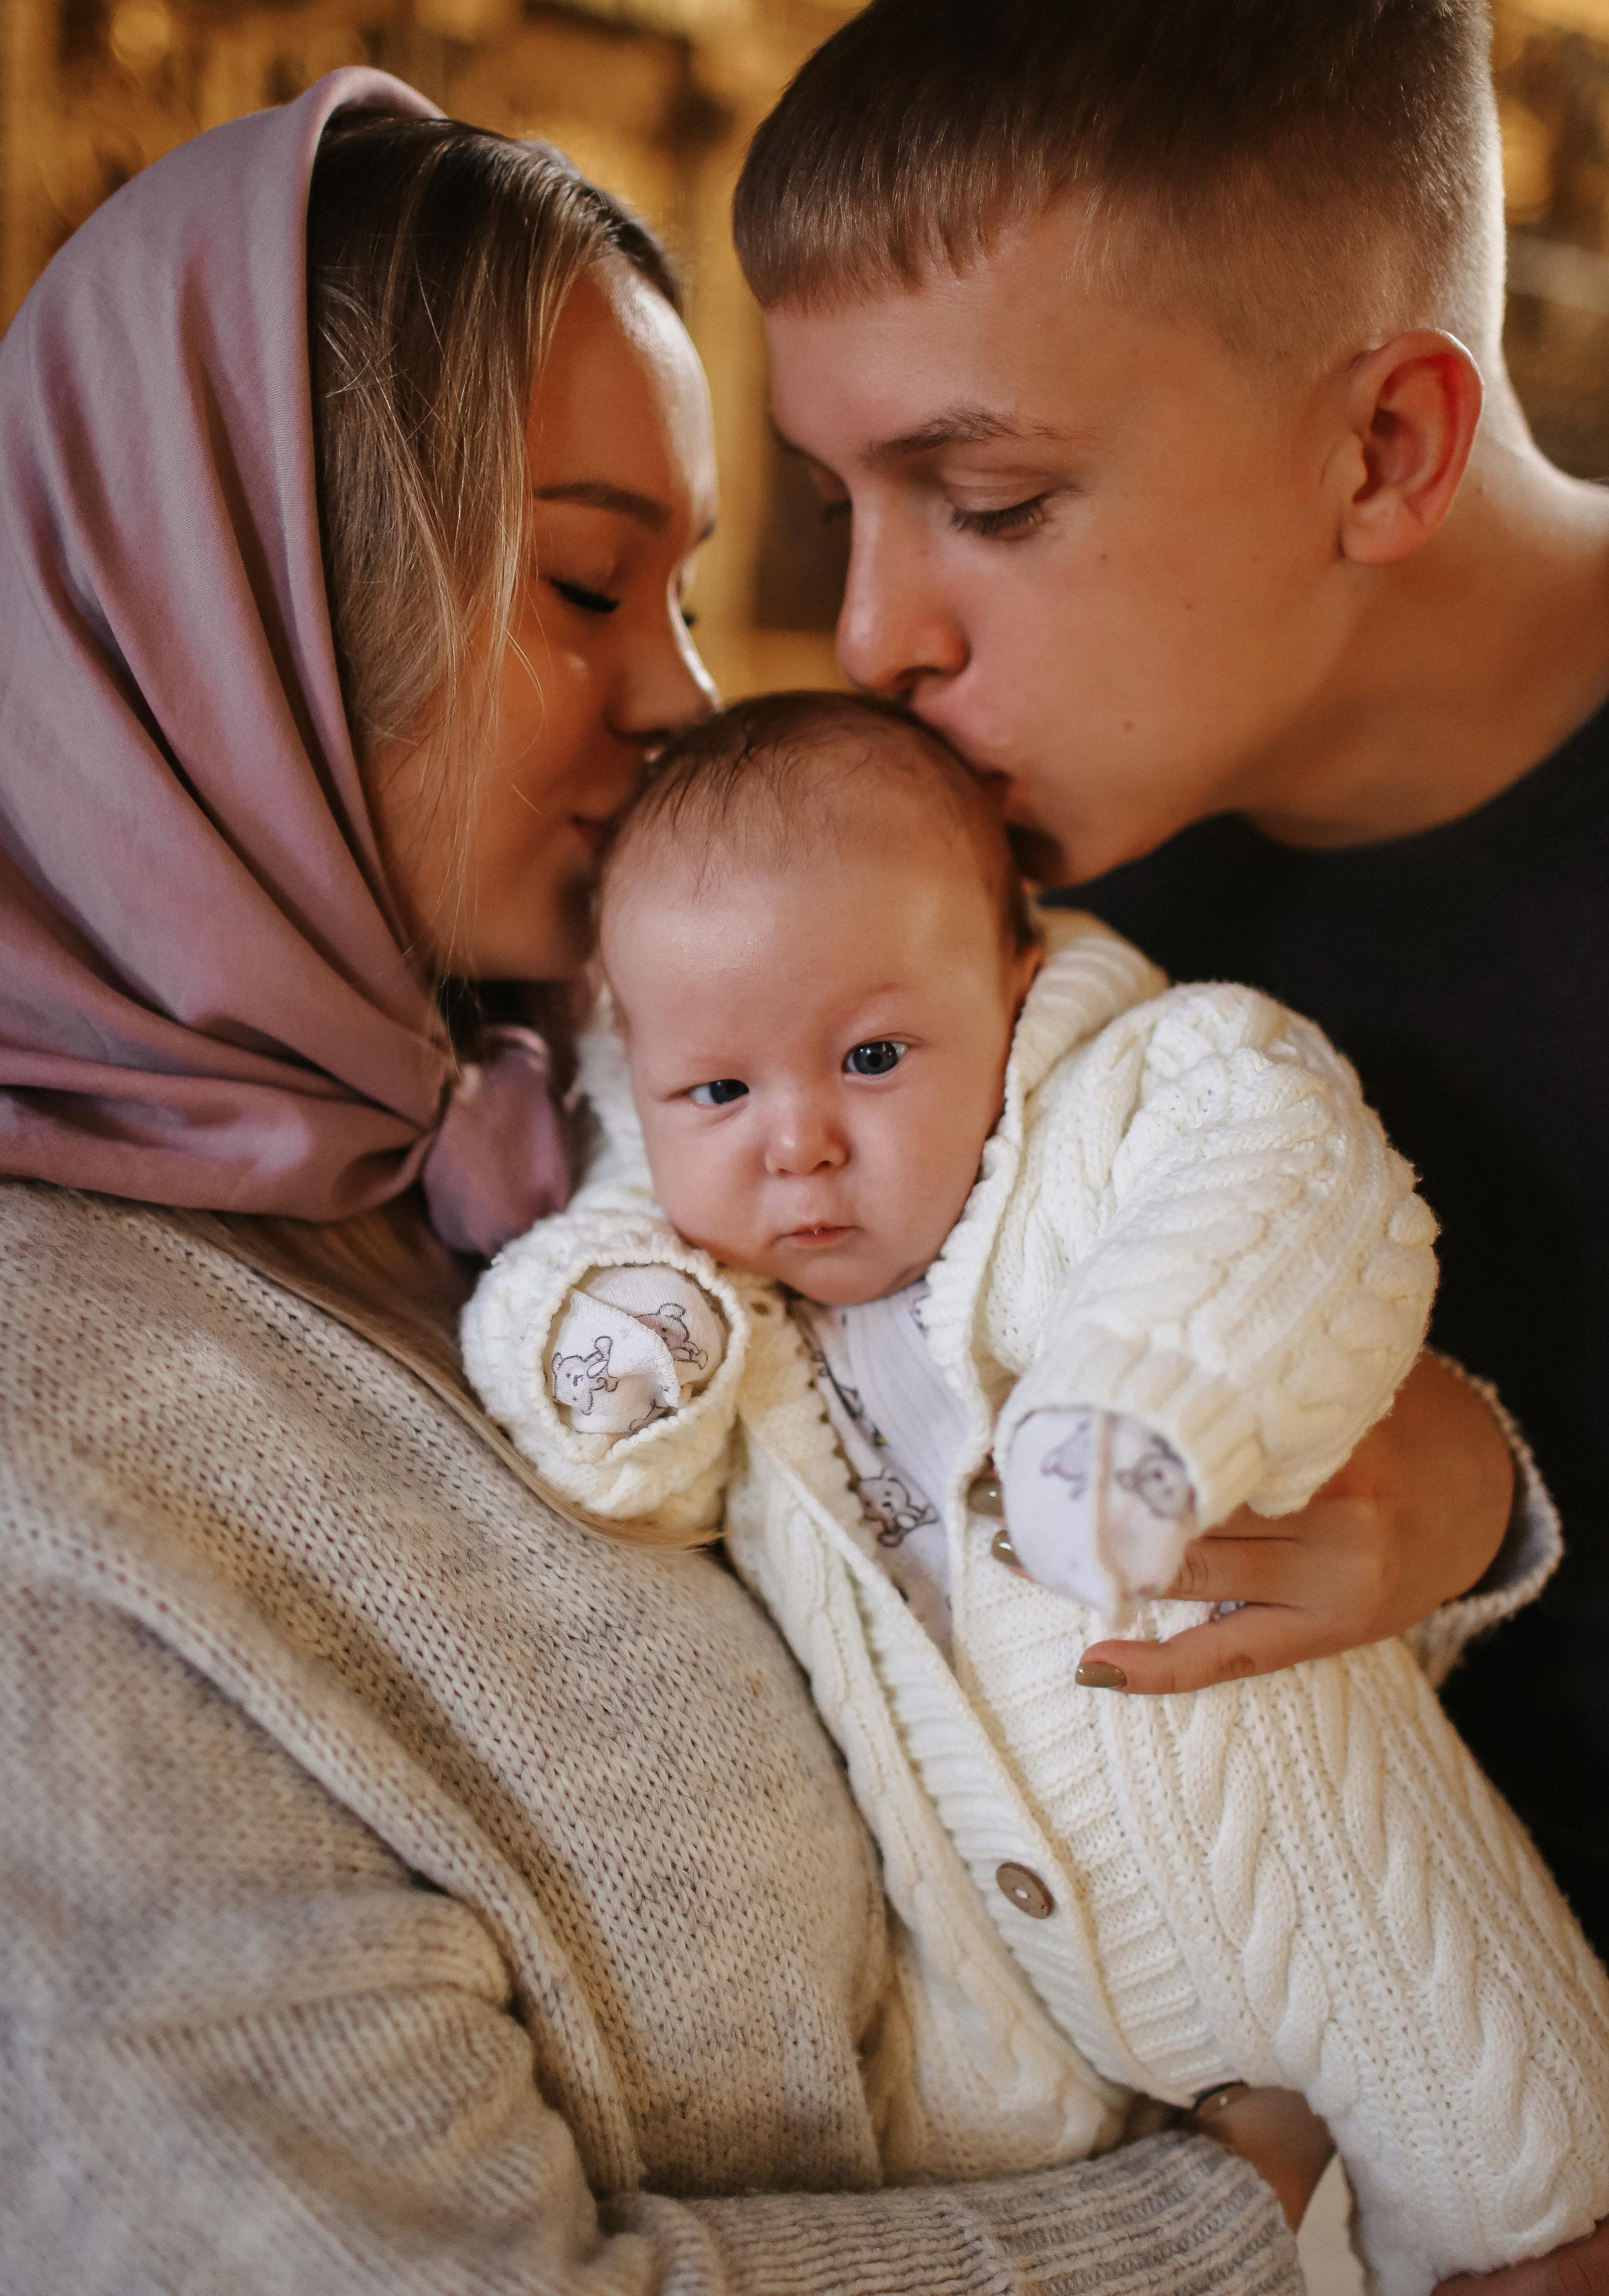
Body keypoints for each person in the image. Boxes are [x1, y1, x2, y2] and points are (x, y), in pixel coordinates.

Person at [0, 65, 1346, 2292]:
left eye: (691, 591)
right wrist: (1238, 2231)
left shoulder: (583, 1117)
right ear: (228, 611)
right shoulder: (54, 1447)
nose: (688, 698)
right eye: (587, 587)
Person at [463, 689, 1609, 2294]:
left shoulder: (1122, 1102)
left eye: (871, 1056)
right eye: (716, 1094)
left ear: (1010, 983)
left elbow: (1277, 1189)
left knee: (1533, 2213)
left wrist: (1138, 1408)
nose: (796, 1143)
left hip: (1349, 1912)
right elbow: (618, 1425)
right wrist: (603, 1344)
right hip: (1037, 2042)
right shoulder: (718, 1294)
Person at [732, 0, 1609, 1978]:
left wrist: (1519, 1521)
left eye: (996, 502)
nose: (873, 635)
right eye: (837, 498)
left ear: (1384, 442)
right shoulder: (1001, 907)